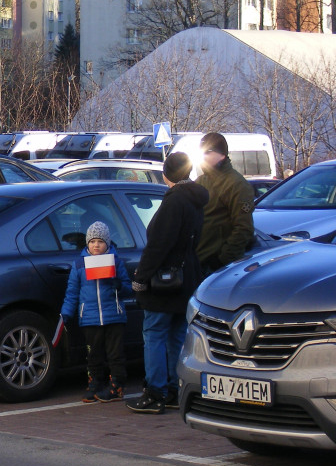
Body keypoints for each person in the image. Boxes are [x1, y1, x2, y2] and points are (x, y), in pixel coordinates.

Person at [127, 152, 209, 414]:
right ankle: (175, 388)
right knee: (176, 335)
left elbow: (159, 244)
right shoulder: (196, 199)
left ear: (166, 174)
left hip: (165, 280)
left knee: (154, 333)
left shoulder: (174, 201)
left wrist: (141, 277)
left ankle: (155, 392)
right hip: (188, 277)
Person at [60, 221, 133, 403]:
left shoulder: (115, 262)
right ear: (87, 244)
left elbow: (127, 287)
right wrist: (65, 314)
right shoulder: (79, 264)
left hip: (113, 316)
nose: (96, 245)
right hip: (90, 317)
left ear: (107, 243)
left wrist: (119, 286)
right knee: (94, 354)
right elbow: (72, 292)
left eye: (100, 242)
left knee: (115, 354)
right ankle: (95, 383)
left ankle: (117, 384)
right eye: (92, 242)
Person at [195, 132, 256, 277]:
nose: (204, 157)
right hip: (198, 261)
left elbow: (243, 228)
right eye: (202, 152)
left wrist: (222, 261)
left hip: (219, 267)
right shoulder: (201, 181)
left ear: (221, 155)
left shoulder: (236, 184)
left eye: (208, 152)